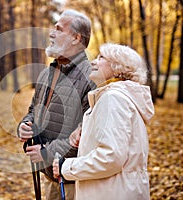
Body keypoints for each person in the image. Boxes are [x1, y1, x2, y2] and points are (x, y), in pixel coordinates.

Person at [52, 43, 155, 200]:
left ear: (118, 66)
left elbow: (111, 157)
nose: (93, 62)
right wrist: (86, 134)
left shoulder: (113, 98)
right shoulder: (119, 98)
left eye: (101, 57)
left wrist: (66, 167)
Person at [17, 9, 96, 200]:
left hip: (74, 184)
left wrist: (46, 153)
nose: (51, 34)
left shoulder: (91, 77)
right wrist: (25, 126)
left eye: (59, 30)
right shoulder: (48, 72)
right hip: (50, 177)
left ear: (76, 38)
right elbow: (32, 111)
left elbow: (88, 134)